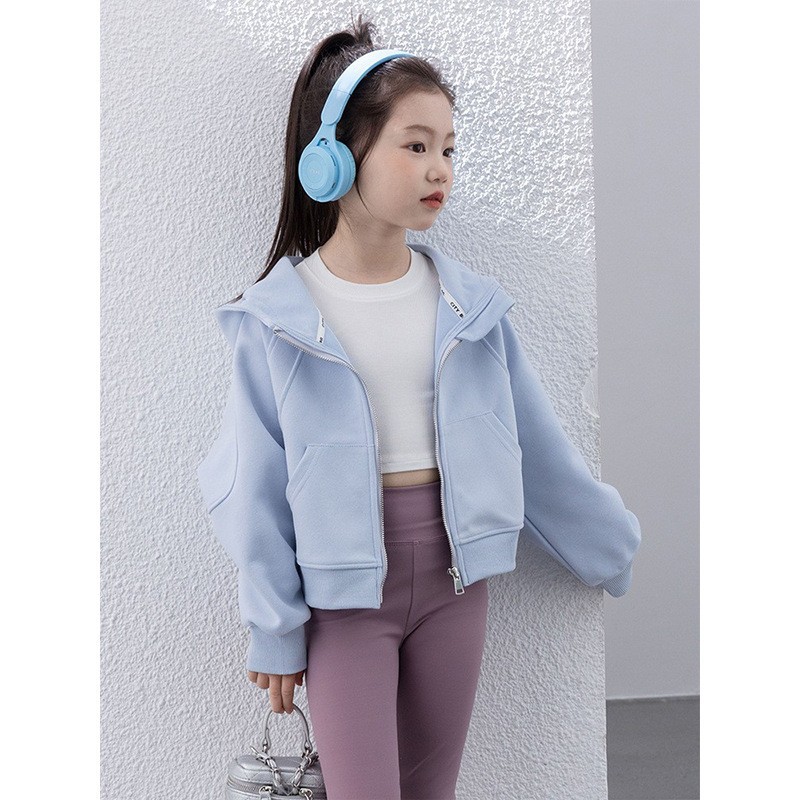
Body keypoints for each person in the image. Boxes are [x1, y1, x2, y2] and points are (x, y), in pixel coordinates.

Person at [196, 13, 641, 800]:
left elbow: (531, 444)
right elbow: (249, 487)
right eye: (415, 145)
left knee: (433, 790)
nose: (439, 169)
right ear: (337, 158)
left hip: (455, 585)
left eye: (448, 149)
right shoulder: (276, 318)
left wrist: (607, 545)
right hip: (343, 600)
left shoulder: (470, 307)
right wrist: (276, 626)